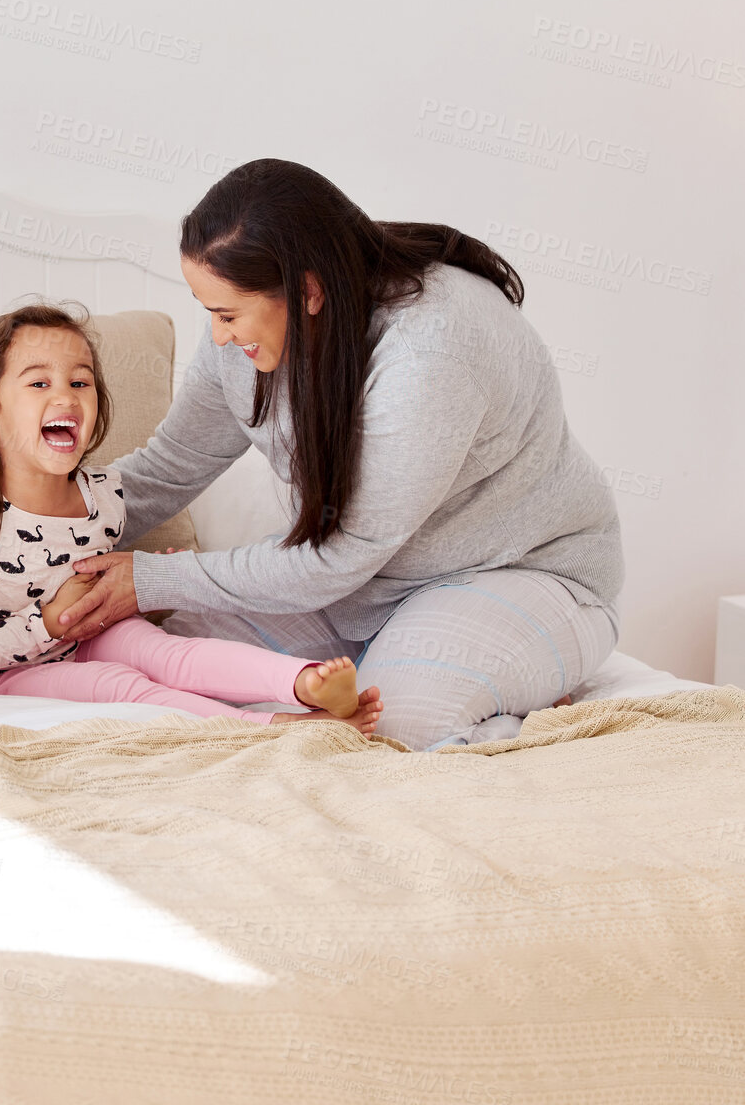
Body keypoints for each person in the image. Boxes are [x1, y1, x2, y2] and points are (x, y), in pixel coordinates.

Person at [59, 159, 622, 750]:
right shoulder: (245, 330)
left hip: (514, 573)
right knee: (179, 663)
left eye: (228, 315)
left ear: (307, 290)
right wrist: (23, 522)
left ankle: (508, 705)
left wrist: (153, 579)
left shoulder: (431, 354)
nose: (220, 336)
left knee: (394, 727)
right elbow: (170, 468)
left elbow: (337, 556)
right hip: (366, 589)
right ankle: (456, 679)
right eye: (211, 314)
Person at [0, 304, 383, 733]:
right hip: (2, 679)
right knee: (118, 686)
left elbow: (106, 579)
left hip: (88, 641)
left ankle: (302, 682)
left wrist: (152, 584)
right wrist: (49, 624)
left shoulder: (104, 496)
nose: (66, 396)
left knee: (165, 651)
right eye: (39, 383)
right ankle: (275, 729)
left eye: (80, 382)